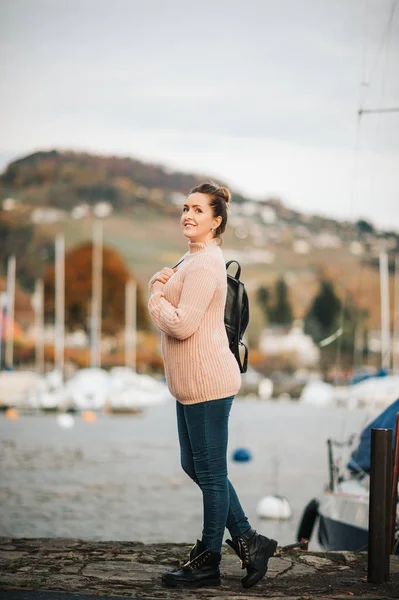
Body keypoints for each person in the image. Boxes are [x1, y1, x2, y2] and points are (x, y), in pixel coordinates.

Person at [147, 182, 277, 589]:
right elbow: (176, 301)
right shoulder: (192, 258)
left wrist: (153, 295)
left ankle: (208, 560)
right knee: (197, 466)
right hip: (189, 385)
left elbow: (182, 323)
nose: (188, 214)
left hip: (208, 382)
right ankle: (250, 541)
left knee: (212, 473)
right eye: (186, 208)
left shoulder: (205, 264)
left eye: (199, 210)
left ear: (217, 221)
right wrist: (159, 280)